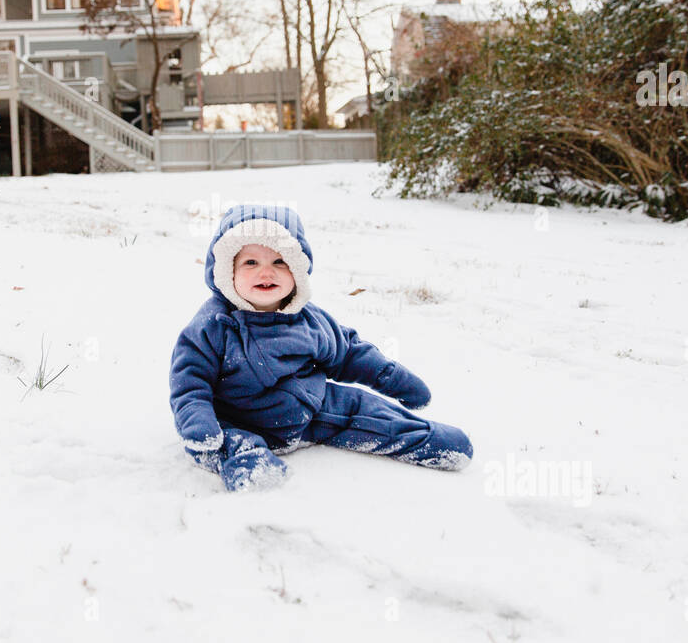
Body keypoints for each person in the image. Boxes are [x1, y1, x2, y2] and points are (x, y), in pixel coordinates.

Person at [169, 204, 474, 491]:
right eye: (251, 262)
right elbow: (189, 382)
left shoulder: (310, 320)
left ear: (298, 270)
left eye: (280, 261)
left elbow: (350, 353)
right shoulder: (213, 325)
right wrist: (197, 421)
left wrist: (391, 377)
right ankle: (252, 468)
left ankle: (427, 441)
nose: (266, 272)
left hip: (313, 410)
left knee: (361, 408)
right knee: (220, 444)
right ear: (226, 270)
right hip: (239, 419)